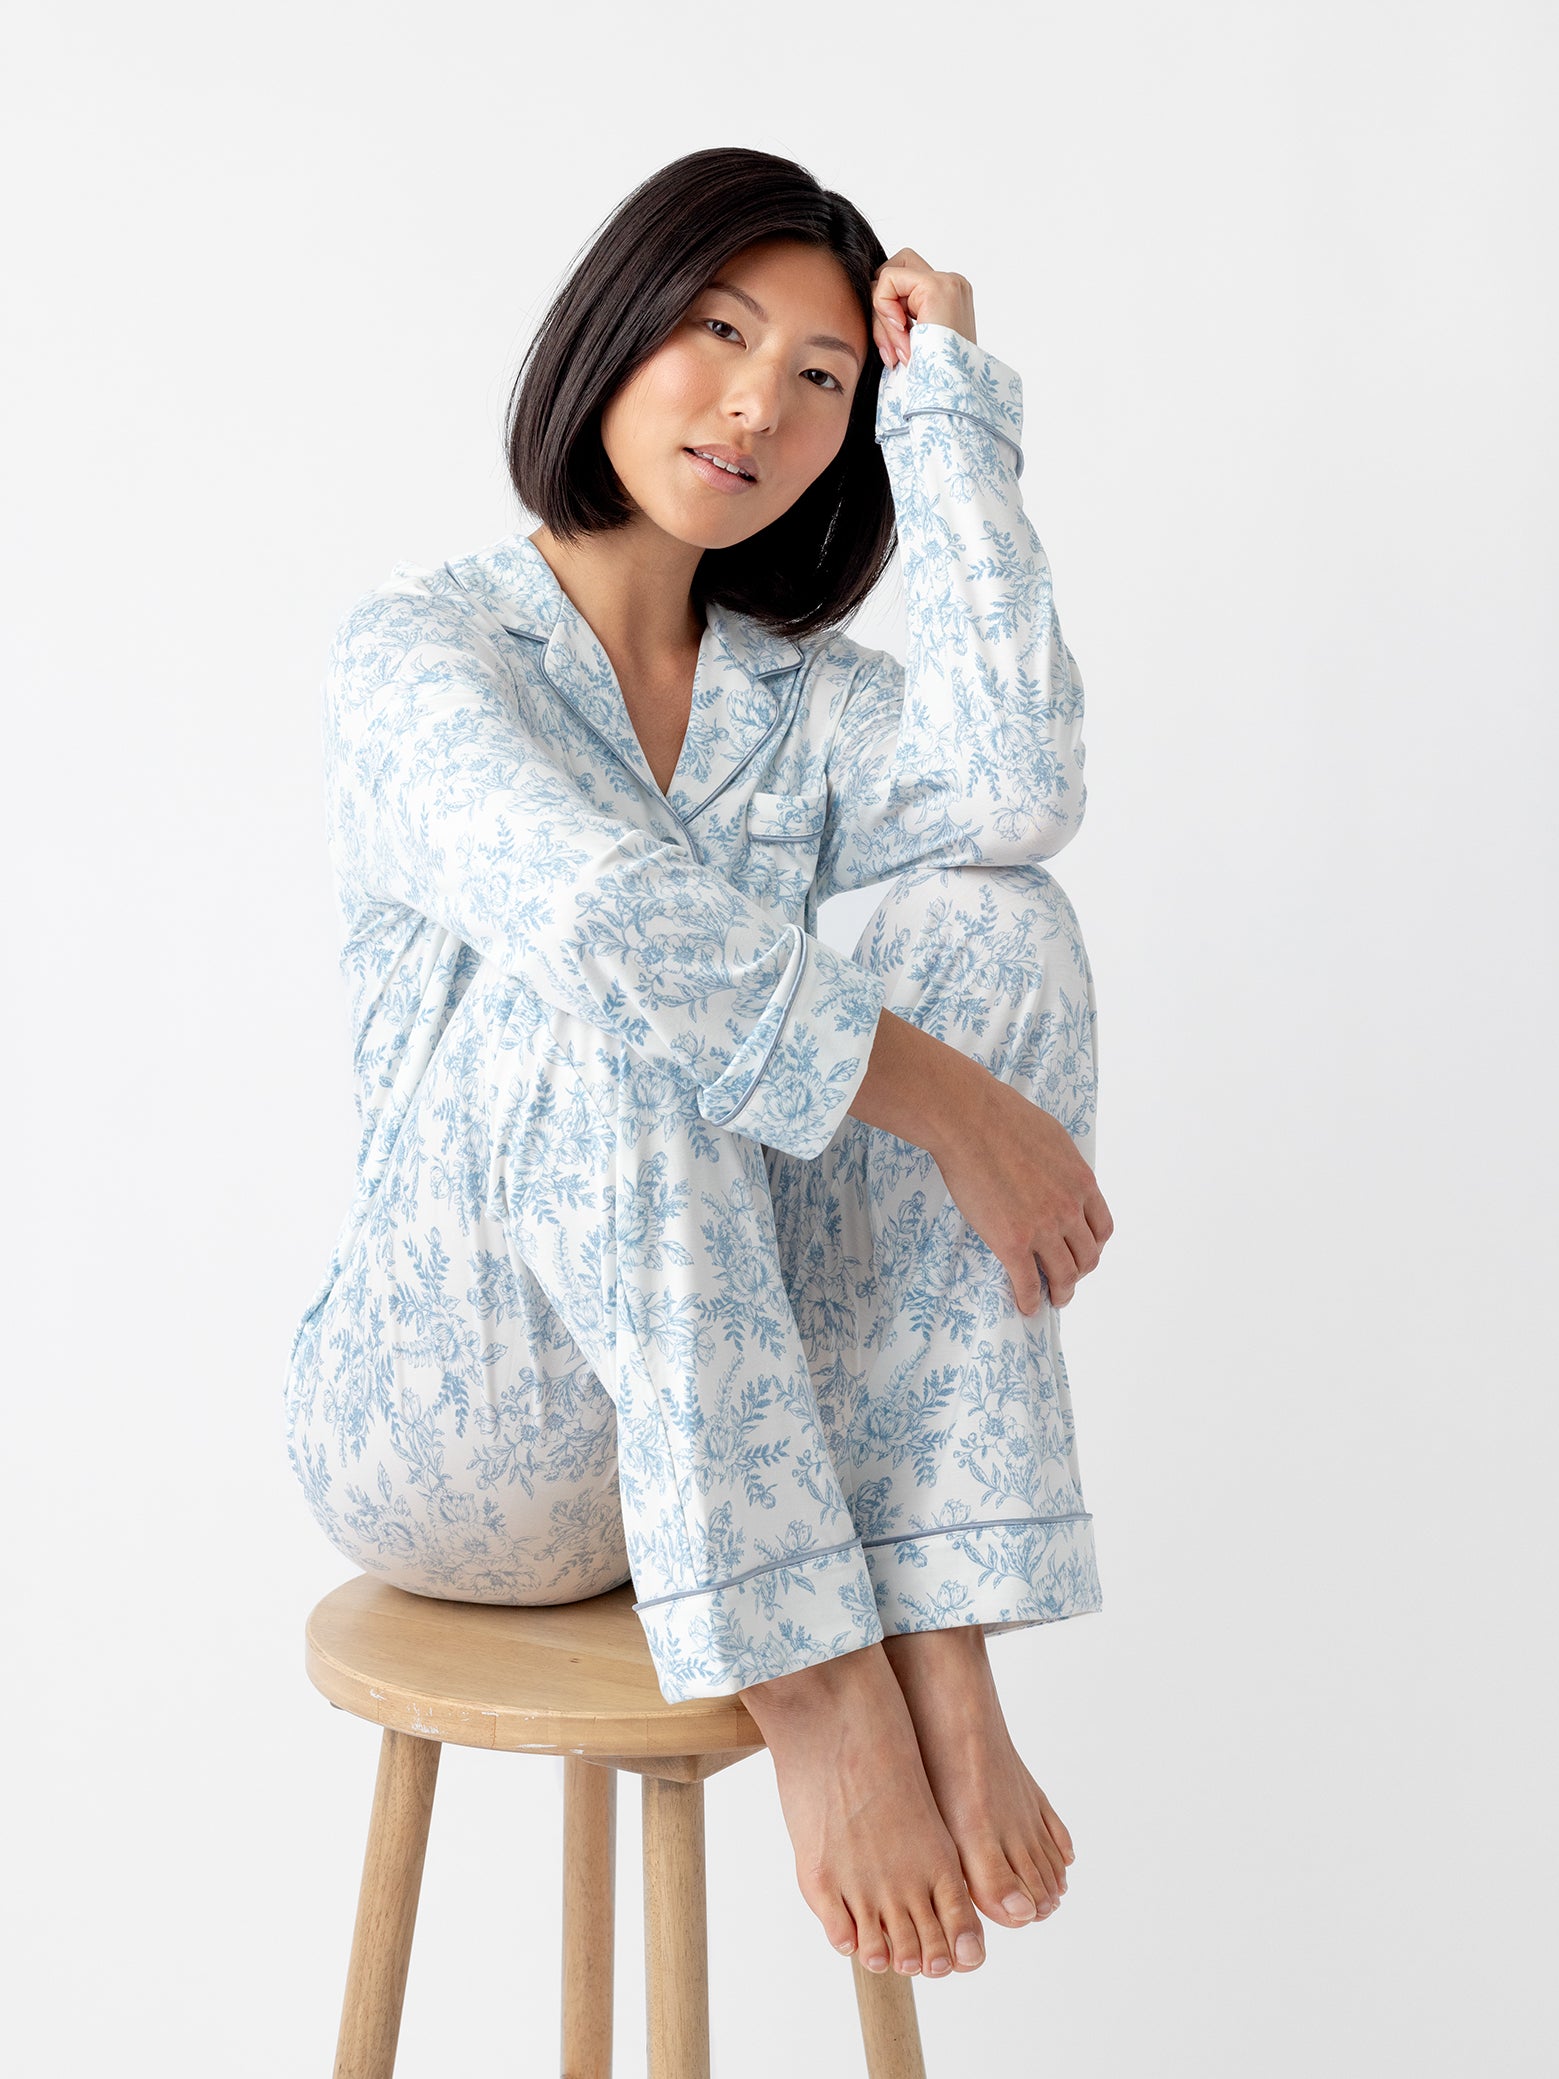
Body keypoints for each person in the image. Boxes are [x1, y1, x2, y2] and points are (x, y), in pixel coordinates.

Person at [282, 145, 1114, 1985]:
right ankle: (819, 1685)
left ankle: (942, 1639)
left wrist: (952, 411)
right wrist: (951, 1108)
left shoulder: (794, 707)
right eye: (716, 331)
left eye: (823, 378)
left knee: (998, 925)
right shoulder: (422, 653)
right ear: (615, 330)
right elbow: (595, 919)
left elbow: (1018, 791)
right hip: (459, 1425)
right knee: (613, 963)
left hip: (742, 1417)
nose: (757, 404)